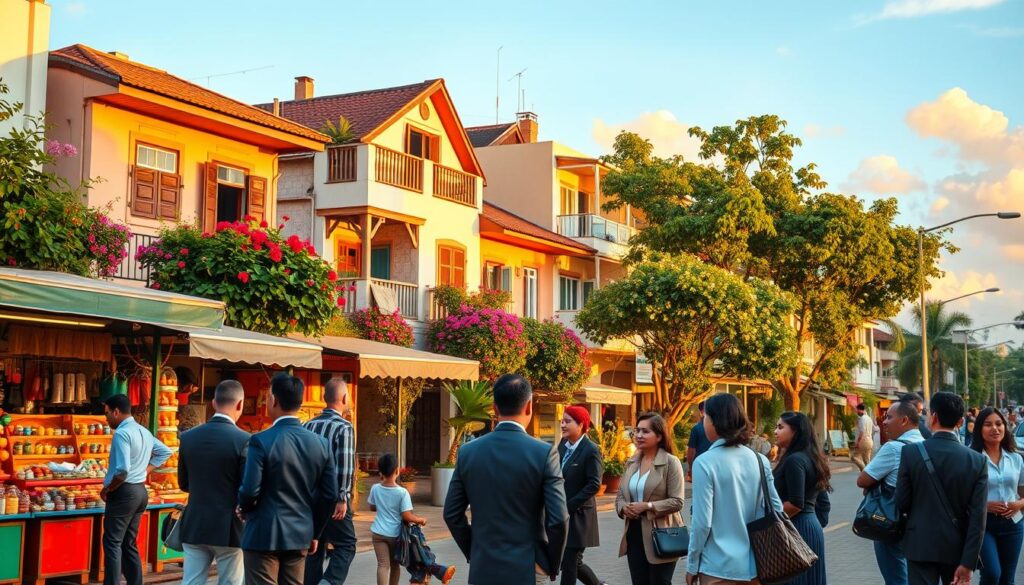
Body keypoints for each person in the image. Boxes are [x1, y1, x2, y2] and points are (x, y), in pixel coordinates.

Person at [443, 373, 568, 585]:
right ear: (529, 406)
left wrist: (474, 552)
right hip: (529, 567)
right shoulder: (545, 453)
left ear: (495, 408)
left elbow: (452, 514)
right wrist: (552, 564)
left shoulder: (468, 452)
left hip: (483, 567)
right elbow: (559, 520)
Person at [238, 373, 337, 585]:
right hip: (300, 532)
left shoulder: (260, 441)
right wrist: (315, 531)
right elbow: (330, 495)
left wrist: (244, 508)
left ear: (273, 400)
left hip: (263, 532)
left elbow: (249, 490)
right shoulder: (321, 444)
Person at [686, 393, 784, 585]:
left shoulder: (704, 463)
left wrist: (691, 564)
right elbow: (777, 508)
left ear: (715, 422)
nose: (703, 422)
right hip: (756, 566)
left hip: (717, 567)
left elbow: (702, 523)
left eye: (705, 418)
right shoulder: (759, 460)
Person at [896, 392, 988, 585]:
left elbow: (901, 502)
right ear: (961, 422)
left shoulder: (910, 453)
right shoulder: (977, 461)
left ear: (934, 417)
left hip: (920, 544)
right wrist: (968, 563)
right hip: (957, 548)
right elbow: (978, 517)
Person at [178, 380, 251, 585]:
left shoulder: (188, 438)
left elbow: (184, 483)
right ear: (240, 404)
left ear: (213, 403)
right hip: (229, 526)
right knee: (230, 582)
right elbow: (248, 486)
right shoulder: (245, 439)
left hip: (195, 522)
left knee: (191, 581)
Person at [101, 394, 173, 585]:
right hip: (140, 491)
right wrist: (144, 470)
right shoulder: (143, 431)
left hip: (124, 492)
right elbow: (166, 451)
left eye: (107, 413)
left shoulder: (122, 434)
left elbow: (123, 470)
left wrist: (109, 489)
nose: (106, 418)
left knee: (113, 542)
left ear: (116, 412)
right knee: (128, 542)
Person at [857, 400, 925, 585]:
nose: (884, 422)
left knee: (896, 578)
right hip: (921, 525)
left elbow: (862, 480)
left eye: (889, 417)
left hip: (891, 523)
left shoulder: (893, 448)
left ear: (904, 420)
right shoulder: (926, 444)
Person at [617, 412, 685, 585]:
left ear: (660, 436)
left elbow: (677, 501)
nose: (639, 435)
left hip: (661, 533)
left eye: (645, 431)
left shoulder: (671, 462)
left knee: (660, 581)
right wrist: (624, 507)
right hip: (633, 531)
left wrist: (647, 506)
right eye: (637, 431)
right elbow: (620, 495)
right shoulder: (632, 462)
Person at [369, 453, 455, 585]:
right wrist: (420, 520)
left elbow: (372, 507)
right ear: (397, 471)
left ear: (380, 472)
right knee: (394, 566)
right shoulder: (402, 492)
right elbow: (407, 516)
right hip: (395, 535)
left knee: (382, 565)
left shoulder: (375, 489)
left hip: (378, 533)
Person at [303, 378, 357, 585]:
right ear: (344, 398)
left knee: (315, 547)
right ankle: (329, 582)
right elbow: (345, 464)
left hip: (310, 497)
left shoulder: (308, 425)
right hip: (334, 498)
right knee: (347, 544)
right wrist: (342, 497)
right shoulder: (344, 427)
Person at [773, 412, 829, 585]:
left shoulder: (794, 460)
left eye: (780, 427)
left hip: (796, 528)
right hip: (810, 528)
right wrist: (813, 524)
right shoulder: (812, 458)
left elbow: (796, 504)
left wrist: (768, 521)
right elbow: (824, 503)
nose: (775, 431)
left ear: (795, 431)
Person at [969, 407, 1024, 585]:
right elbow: (960, 496)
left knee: (1007, 578)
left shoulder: (1016, 458)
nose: (995, 428)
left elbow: (1023, 494)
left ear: (1005, 427)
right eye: (988, 424)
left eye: (999, 424)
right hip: (983, 525)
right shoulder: (972, 458)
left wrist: (1019, 505)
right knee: (992, 574)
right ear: (979, 429)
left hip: (1013, 524)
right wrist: (984, 505)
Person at [557, 405, 606, 585]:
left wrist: (569, 505)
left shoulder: (591, 450)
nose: (562, 424)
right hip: (562, 514)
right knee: (571, 562)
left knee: (570, 562)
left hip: (579, 516)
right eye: (562, 420)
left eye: (568, 421)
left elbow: (594, 484)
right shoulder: (562, 444)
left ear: (581, 425)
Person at [686, 401, 712, 482]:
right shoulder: (720, 427)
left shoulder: (697, 428)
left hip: (700, 465)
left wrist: (690, 467)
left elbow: (691, 450)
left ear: (701, 412)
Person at [852, 403, 875, 471]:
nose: (857, 412)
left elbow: (862, 432)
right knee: (867, 460)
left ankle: (865, 470)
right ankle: (868, 474)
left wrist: (858, 442)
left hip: (863, 441)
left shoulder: (862, 419)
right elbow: (873, 429)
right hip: (869, 441)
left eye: (857, 410)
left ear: (860, 410)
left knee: (854, 457)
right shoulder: (869, 419)